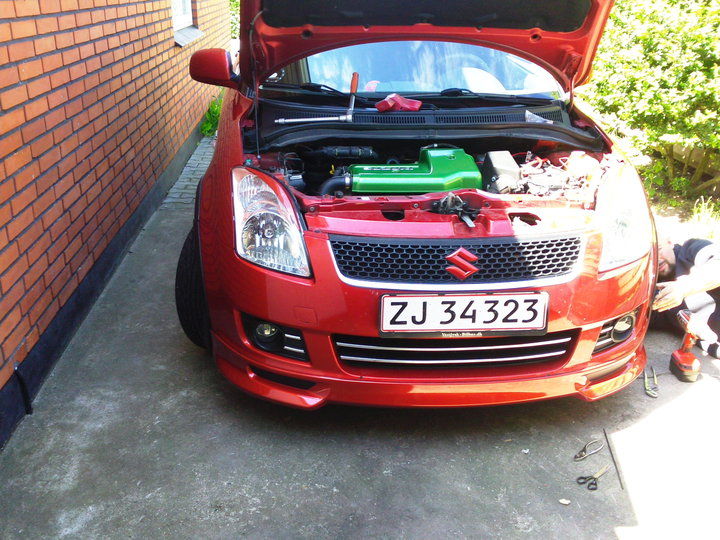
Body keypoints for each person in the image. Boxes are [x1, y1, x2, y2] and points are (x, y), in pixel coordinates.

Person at [652, 235, 720, 358]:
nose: (656, 259)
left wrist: (683, 287)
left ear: (670, 242)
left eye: (659, 249)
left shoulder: (691, 249)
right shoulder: (652, 287)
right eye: (649, 257)